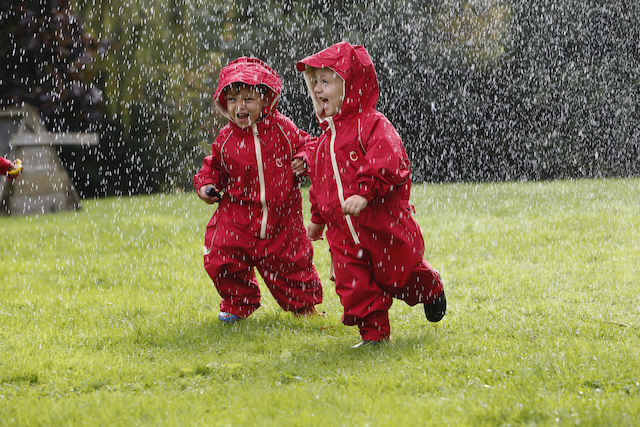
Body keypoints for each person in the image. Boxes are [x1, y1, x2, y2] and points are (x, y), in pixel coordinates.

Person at [296, 42, 446, 347]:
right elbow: (321, 184)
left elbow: (388, 161)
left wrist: (365, 194)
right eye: (314, 83)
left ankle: (429, 289)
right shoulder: (324, 142)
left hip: (382, 225)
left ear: (350, 85)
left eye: (326, 80)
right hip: (344, 236)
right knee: (354, 285)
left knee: (400, 275)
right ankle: (374, 334)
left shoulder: (373, 125)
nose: (318, 88)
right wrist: (317, 220)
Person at [193, 57, 323, 323]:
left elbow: (308, 144)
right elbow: (213, 167)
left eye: (247, 99)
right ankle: (237, 303)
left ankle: (303, 307)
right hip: (237, 217)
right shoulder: (226, 138)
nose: (239, 106)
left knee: (292, 262)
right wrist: (207, 185)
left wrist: (304, 158)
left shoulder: (283, 129)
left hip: (281, 217)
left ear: (266, 99)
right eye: (232, 99)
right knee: (222, 256)